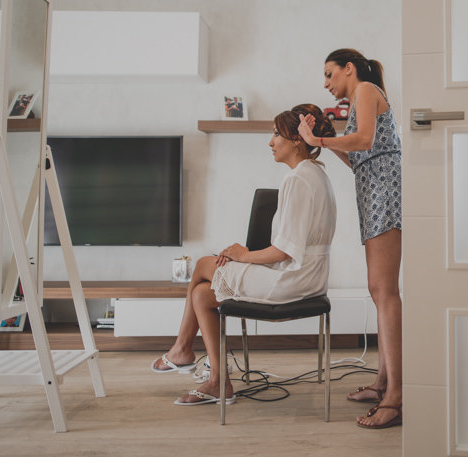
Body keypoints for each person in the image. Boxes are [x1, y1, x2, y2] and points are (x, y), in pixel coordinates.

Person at [151, 104, 338, 406]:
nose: (270, 141)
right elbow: (292, 247)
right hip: (307, 275)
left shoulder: (298, 178)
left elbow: (283, 250)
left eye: (276, 134)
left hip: (293, 280)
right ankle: (217, 381)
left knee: (201, 264)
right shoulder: (316, 173)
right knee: (201, 295)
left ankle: (183, 350)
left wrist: (243, 254)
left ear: (296, 139)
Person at [298, 48, 403, 429]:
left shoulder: (366, 88)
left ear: (349, 68)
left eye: (330, 74)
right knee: (380, 291)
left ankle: (396, 396)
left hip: (384, 195)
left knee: (385, 291)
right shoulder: (362, 96)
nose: (327, 84)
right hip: (373, 192)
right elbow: (359, 156)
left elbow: (361, 140)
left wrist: (320, 140)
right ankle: (383, 382)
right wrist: (323, 137)